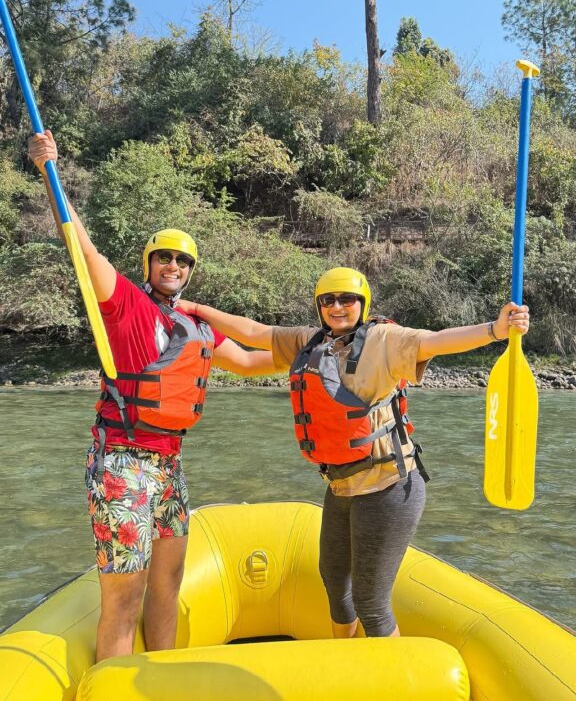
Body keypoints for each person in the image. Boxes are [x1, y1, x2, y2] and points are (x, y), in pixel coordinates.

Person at [28, 131, 277, 662]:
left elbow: (257, 360)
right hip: (121, 464)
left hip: (169, 467)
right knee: (125, 599)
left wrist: (326, 347)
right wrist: (51, 173)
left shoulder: (197, 327)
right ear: (149, 264)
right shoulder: (122, 304)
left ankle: (161, 679)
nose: (173, 267)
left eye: (182, 263)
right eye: (164, 259)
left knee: (168, 586)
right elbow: (79, 243)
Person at [176, 266, 530, 638]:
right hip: (342, 487)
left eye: (347, 299)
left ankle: (393, 684)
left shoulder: (384, 340)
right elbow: (254, 333)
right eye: (328, 300)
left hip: (389, 488)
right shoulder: (309, 342)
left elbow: (436, 341)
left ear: (363, 304)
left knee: (371, 603)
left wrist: (495, 330)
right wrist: (195, 308)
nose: (337, 307)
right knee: (333, 581)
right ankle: (345, 657)